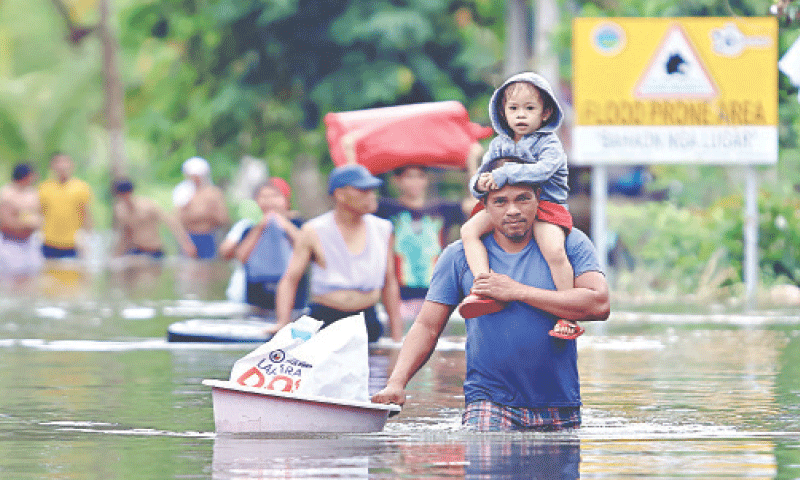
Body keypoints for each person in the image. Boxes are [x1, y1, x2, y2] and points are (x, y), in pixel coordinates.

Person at [371, 156, 610, 431]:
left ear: (539, 198)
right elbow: (427, 326)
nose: (513, 211)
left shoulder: (568, 242)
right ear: (483, 206)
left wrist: (517, 291)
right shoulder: (459, 255)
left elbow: (599, 304)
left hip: (559, 402)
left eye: (523, 198)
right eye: (500, 201)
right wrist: (397, 382)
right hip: (488, 402)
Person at [458, 72, 578, 340]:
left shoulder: (549, 143)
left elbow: (543, 170)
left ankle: (568, 313)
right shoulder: (499, 144)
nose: (521, 115)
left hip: (546, 205)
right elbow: (481, 174)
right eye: (513, 109)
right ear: (503, 111)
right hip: (509, 206)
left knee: (555, 250)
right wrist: (479, 185)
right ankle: (483, 286)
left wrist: (503, 175)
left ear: (545, 113)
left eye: (529, 108)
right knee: (468, 231)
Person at [268, 164, 403, 342]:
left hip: (366, 318)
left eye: (372, 190)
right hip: (325, 318)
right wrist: (282, 323)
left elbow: (389, 282)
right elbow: (290, 279)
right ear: (340, 194)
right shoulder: (314, 230)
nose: (371, 196)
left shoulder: (383, 229)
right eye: (363, 190)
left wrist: (397, 336)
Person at [375, 143, 482, 321]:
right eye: (409, 177)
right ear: (397, 180)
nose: (415, 182)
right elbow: (355, 194)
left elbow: (476, 205)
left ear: (427, 179)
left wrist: (472, 162)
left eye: (420, 176)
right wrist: (349, 152)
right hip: (398, 298)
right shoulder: (387, 210)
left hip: (437, 295)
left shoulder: (442, 209)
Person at [219, 178, 307, 313]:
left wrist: (284, 224)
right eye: (264, 197)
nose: (269, 201)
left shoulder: (299, 225)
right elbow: (241, 258)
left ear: (286, 200)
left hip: (293, 298)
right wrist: (260, 227)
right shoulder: (250, 228)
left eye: (275, 196)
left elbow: (306, 248)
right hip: (257, 297)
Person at [111, 178, 197, 259]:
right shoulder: (120, 211)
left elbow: (171, 222)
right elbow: (126, 234)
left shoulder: (147, 205)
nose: (124, 197)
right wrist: (117, 254)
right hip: (135, 251)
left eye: (126, 194)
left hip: (154, 250)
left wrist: (186, 244)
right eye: (121, 195)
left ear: (131, 192)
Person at [38, 153, 94, 259]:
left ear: (72, 165)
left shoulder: (82, 187)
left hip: (73, 244)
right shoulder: (43, 188)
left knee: (73, 274)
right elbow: (39, 213)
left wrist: (87, 238)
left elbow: (86, 214)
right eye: (58, 162)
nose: (61, 166)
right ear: (51, 166)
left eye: (65, 162)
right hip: (49, 242)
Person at [173, 157, 230, 259]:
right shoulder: (183, 193)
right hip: (189, 237)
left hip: (209, 237)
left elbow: (223, 218)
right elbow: (177, 219)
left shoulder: (214, 193)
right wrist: (186, 243)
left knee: (209, 268)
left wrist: (206, 214)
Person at [0, 163, 43, 276]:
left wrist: (35, 223)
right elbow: (6, 222)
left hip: (30, 243)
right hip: (11, 244)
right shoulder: (7, 194)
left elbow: (39, 216)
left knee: (32, 277)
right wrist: (26, 224)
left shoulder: (32, 193)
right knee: (12, 278)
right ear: (26, 176)